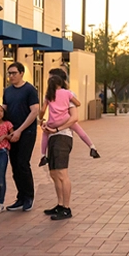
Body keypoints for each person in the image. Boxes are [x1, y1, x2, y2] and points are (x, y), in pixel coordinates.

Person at [37, 67, 100, 165]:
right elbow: (78, 104)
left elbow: (42, 110)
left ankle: (43, 156)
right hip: (65, 119)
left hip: (53, 122)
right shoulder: (68, 93)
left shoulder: (48, 95)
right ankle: (92, 147)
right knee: (79, 130)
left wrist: (41, 119)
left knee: (45, 133)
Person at [2, 61, 40, 212]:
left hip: (27, 132)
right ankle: (20, 197)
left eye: (14, 73)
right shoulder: (7, 91)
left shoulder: (30, 90)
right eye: (9, 73)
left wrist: (20, 130)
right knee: (15, 165)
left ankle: (28, 197)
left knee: (23, 163)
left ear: (21, 73)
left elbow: (35, 111)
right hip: (12, 132)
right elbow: (4, 110)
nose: (11, 76)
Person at [41, 78, 80, 221]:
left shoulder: (68, 96)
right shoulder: (51, 97)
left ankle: (66, 208)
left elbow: (74, 118)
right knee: (54, 173)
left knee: (62, 173)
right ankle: (60, 204)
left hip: (63, 136)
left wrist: (58, 128)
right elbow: (43, 112)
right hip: (52, 136)